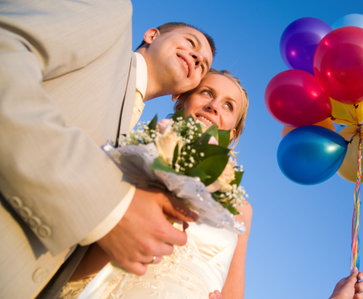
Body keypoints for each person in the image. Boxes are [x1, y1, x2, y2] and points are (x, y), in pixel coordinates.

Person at [0, 0, 215, 297]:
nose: (196, 56)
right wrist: (110, 210)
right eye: (190, 43)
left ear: (180, 92)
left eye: (202, 64)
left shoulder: (140, 151)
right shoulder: (110, 14)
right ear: (152, 35)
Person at [59, 69, 252, 298]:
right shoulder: (132, 158)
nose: (214, 106)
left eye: (229, 105)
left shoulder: (241, 209)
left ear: (233, 133)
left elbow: (233, 288)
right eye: (206, 93)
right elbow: (76, 258)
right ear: (181, 102)